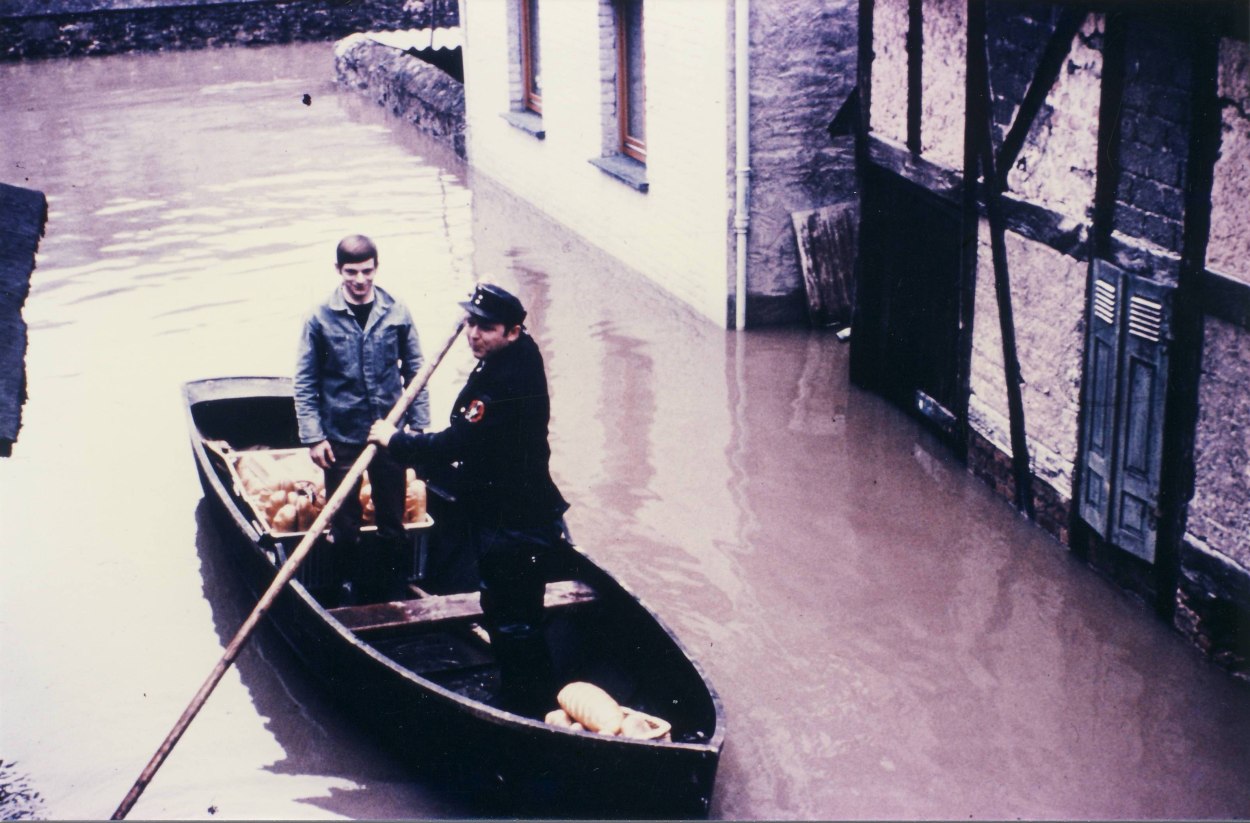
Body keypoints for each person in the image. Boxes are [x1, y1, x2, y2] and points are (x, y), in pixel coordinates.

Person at [368, 283, 569, 713]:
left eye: (487, 328)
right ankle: (537, 694)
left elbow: (457, 443)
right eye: (471, 324)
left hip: (511, 523)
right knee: (522, 614)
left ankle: (524, 705)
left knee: (508, 617)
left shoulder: (504, 381)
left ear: (513, 331)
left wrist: (396, 441)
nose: (474, 335)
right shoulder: (518, 352)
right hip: (524, 511)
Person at [294, 234, 430, 605]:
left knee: (393, 519)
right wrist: (313, 437)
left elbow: (416, 369)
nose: (359, 280)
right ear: (338, 270)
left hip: (389, 434)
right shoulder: (319, 317)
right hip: (340, 436)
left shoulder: (397, 310)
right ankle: (346, 592)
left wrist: (417, 425)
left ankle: (394, 588)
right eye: (351, 272)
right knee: (344, 523)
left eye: (366, 271)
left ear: (376, 268)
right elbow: (305, 381)